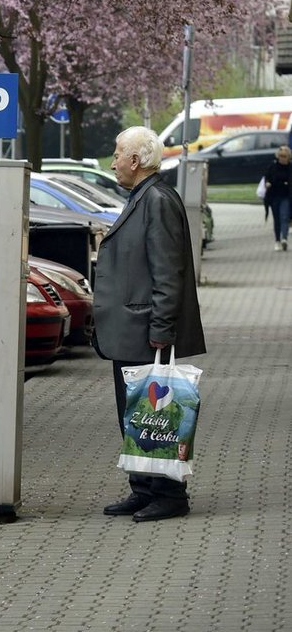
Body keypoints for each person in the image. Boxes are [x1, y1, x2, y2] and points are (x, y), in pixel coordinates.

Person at [92, 124, 205, 523]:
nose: (114, 161)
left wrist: (162, 329)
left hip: (147, 331)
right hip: (131, 330)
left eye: (118, 153)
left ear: (136, 161)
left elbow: (167, 272)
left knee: (158, 415)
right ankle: (143, 488)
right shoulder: (143, 195)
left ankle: (170, 494)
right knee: (136, 414)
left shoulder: (156, 199)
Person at [264, 144, 292, 250]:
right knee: (277, 219)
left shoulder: (290, 167)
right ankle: (277, 241)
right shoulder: (273, 165)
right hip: (274, 196)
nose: (282, 158)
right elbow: (267, 176)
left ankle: (284, 238)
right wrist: (267, 183)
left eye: (284, 156)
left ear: (288, 157)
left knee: (284, 217)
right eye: (280, 156)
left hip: (286, 196)